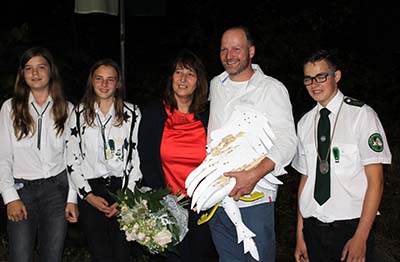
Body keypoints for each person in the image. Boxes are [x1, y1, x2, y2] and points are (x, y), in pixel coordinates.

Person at [207, 26, 297, 262]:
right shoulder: (215, 85)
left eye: (236, 48)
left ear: (251, 51)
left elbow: (288, 141)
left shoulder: (271, 89)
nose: (229, 55)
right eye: (224, 49)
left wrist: (254, 174)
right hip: (218, 201)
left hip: (255, 198)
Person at [292, 49, 392, 262]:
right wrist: (300, 235)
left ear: (336, 76)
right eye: (309, 79)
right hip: (312, 228)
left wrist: (361, 237)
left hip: (350, 227)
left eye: (321, 76)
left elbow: (377, 182)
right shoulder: (305, 123)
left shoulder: (361, 115)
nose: (314, 84)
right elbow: (305, 180)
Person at [138, 49, 218, 262]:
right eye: (178, 72)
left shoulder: (209, 115)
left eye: (190, 74)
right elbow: (147, 159)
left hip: (204, 206)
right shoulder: (155, 112)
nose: (183, 79)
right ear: (171, 77)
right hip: (168, 205)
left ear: (198, 81)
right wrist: (163, 200)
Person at [0, 46, 78, 262]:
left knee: (52, 256)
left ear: (51, 71)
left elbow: (72, 159)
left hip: (56, 191)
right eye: (28, 68)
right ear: (22, 74)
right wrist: (10, 197)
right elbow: (3, 155)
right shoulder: (10, 108)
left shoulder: (67, 109)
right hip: (21, 190)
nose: (35, 73)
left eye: (41, 67)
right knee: (21, 256)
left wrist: (72, 198)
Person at [66, 58, 141, 262]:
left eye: (110, 79)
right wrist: (87, 195)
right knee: (100, 255)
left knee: (122, 254)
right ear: (92, 81)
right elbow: (71, 157)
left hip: (121, 191)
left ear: (118, 83)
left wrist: (126, 199)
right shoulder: (79, 113)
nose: (104, 84)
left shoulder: (132, 113)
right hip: (91, 192)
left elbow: (136, 158)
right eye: (99, 78)